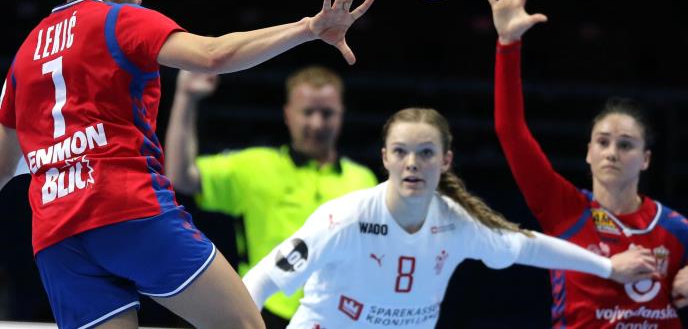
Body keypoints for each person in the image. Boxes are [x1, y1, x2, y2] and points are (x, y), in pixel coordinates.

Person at [0, 0, 374, 329]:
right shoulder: (120, 21)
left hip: (56, 237)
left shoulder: (25, 55)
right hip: (127, 211)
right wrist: (308, 29)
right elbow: (212, 55)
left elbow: (4, 165)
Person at [242, 107, 658, 329]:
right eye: (401, 152)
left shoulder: (456, 222)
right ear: (385, 158)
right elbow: (261, 279)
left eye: (426, 153)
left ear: (445, 161)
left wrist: (608, 267)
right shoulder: (344, 219)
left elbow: (526, 245)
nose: (412, 163)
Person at [487, 0, 688, 328]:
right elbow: (510, 131)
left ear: (645, 159)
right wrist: (508, 44)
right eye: (603, 142)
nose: (612, 152)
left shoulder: (675, 228)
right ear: (588, 153)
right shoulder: (564, 208)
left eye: (625, 145)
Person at [164, 65, 378, 327]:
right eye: (308, 112)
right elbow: (181, 176)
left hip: (339, 316)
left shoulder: (364, 180)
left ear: (341, 114)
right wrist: (186, 96)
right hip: (265, 312)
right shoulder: (255, 167)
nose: (317, 123)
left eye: (327, 113)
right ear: (288, 114)